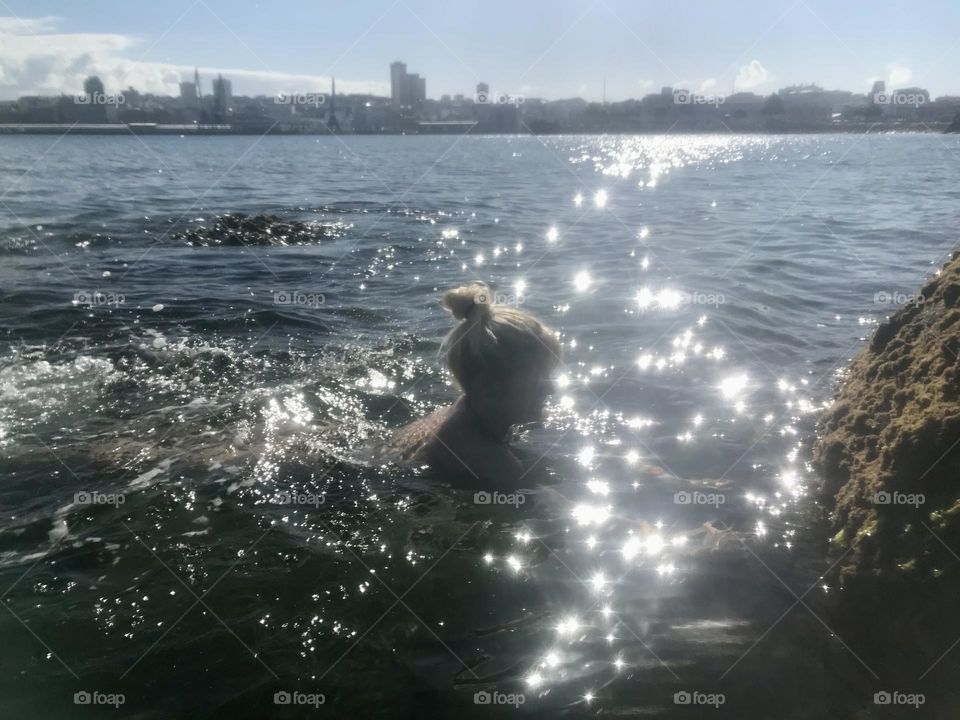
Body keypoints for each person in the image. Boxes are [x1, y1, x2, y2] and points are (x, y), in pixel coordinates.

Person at [382, 282, 561, 487]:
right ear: (487, 385)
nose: (550, 389)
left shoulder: (459, 411)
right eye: (537, 379)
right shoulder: (495, 464)